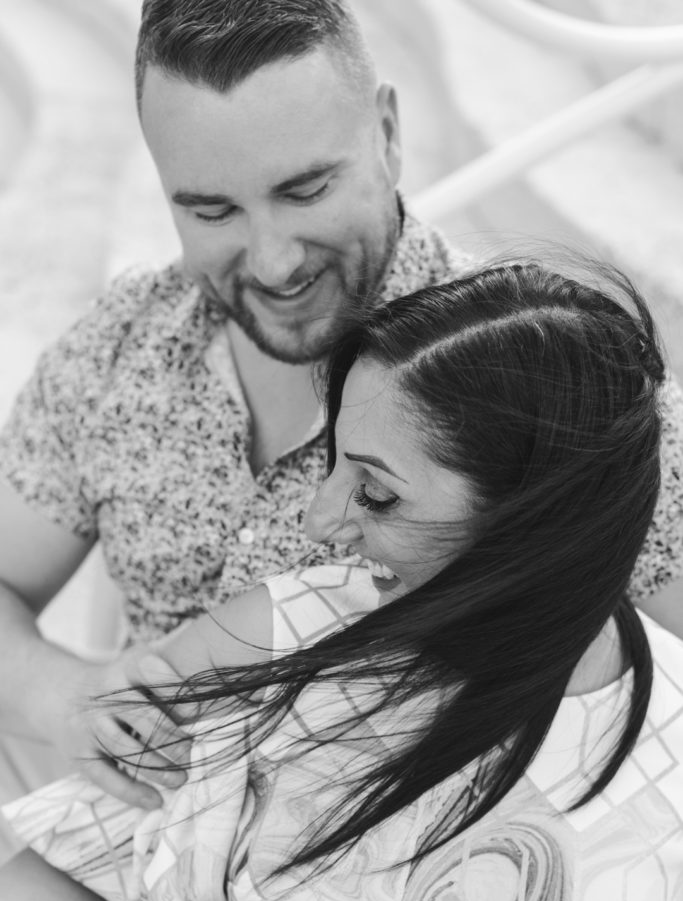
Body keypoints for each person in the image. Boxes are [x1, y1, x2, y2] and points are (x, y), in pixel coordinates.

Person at [0, 0, 682, 817]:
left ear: (388, 136)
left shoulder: (540, 381)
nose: (273, 261)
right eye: (210, 210)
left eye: (304, 189)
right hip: (147, 854)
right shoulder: (123, 343)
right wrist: (62, 695)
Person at [1, 262, 682, 901]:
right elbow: (78, 872)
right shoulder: (276, 641)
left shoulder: (668, 737)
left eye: (376, 492)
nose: (318, 523)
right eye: (333, 461)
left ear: (535, 525)